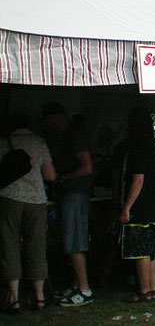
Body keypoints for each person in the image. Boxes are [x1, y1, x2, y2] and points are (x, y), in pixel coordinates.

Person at [0, 113, 56, 313]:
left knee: (9, 245)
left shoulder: (4, 142)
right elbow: (50, 175)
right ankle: (40, 297)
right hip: (37, 200)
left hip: (9, 198)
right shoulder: (39, 142)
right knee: (37, 245)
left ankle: (14, 298)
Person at [41, 102, 94, 306]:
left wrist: (64, 178)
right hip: (71, 193)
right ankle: (77, 285)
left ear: (58, 117)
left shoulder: (75, 135)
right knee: (70, 240)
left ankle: (84, 289)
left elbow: (87, 167)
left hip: (75, 193)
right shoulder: (69, 134)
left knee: (75, 242)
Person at [119, 106, 155, 302]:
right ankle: (152, 288)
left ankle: (144, 290)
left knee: (140, 248)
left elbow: (137, 180)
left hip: (142, 204)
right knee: (151, 248)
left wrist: (126, 206)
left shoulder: (138, 148)